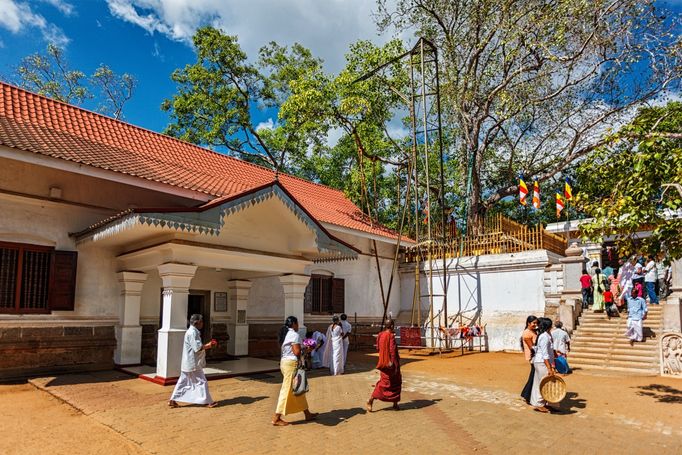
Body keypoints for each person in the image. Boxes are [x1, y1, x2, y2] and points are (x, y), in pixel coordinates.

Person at [272, 316, 317, 426]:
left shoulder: (285, 334)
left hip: (285, 362)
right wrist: (307, 349)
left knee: (298, 389)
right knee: (287, 390)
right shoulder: (294, 335)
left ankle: (307, 413)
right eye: (297, 324)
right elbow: (297, 352)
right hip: (291, 364)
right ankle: (276, 417)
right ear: (294, 324)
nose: (298, 326)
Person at [168, 314, 217, 408]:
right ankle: (208, 401)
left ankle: (172, 400)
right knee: (202, 381)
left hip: (187, 362)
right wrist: (209, 345)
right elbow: (197, 348)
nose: (202, 323)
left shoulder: (191, 332)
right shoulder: (193, 333)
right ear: (196, 323)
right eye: (201, 321)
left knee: (182, 381)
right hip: (193, 363)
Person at [366, 318, 402, 412]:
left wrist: (383, 357)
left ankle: (395, 403)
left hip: (383, 362)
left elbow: (378, 348)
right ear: (392, 326)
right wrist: (394, 364)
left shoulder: (380, 335)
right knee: (386, 384)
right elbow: (392, 351)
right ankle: (371, 399)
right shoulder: (390, 336)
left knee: (390, 382)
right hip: (391, 364)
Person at [530, 318, 556, 413]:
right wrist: (549, 368)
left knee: (539, 382)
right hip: (542, 363)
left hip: (541, 362)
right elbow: (545, 354)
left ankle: (543, 402)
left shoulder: (545, 335)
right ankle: (540, 404)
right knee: (544, 383)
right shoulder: (544, 336)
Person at [520, 315, 538, 404]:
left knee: (533, 376)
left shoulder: (533, 331)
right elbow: (532, 347)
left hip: (535, 356)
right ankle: (527, 395)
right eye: (534, 323)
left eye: (536, 323)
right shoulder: (527, 333)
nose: (535, 324)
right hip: (533, 356)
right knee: (533, 376)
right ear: (528, 323)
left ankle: (525, 394)